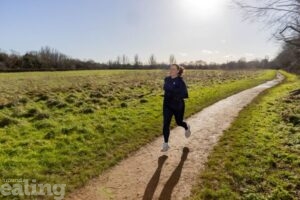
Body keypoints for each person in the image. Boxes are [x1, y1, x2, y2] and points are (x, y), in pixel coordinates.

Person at [161, 64, 191, 152]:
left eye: (173, 69)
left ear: (178, 71)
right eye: (170, 69)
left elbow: (184, 95)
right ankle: (165, 144)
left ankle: (186, 126)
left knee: (179, 122)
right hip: (167, 105)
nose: (171, 71)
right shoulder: (167, 79)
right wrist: (171, 92)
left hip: (178, 105)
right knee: (166, 123)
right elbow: (166, 88)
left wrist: (173, 93)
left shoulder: (181, 82)